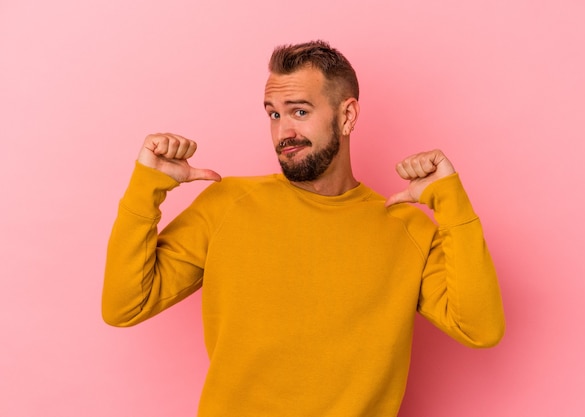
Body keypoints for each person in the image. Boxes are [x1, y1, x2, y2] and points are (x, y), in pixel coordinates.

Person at [102, 40, 505, 417]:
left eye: (299, 111)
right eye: (273, 114)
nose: (283, 133)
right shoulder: (227, 205)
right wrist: (145, 189)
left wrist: (451, 203)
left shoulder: (406, 228)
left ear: (347, 115)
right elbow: (124, 307)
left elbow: (480, 328)